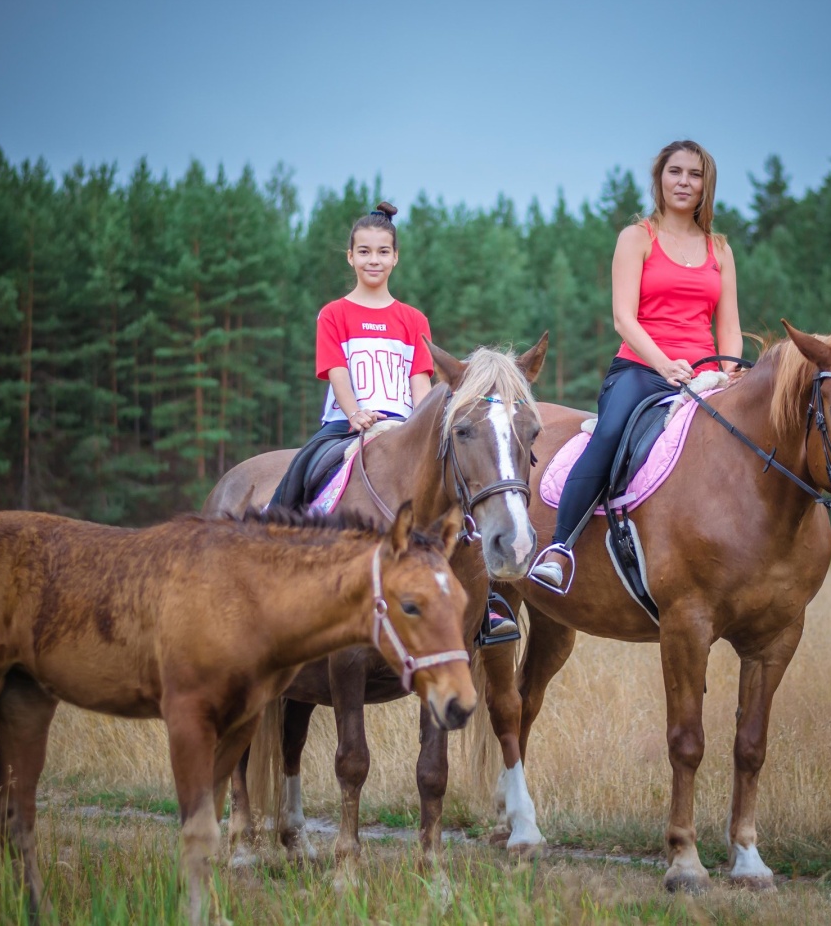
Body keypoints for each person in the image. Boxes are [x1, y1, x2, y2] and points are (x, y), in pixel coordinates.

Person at [270, 201, 518, 637]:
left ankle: (488, 603)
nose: (373, 260)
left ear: (395, 257)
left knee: (461, 489)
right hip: (347, 425)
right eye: (364, 251)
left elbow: (421, 384)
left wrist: (422, 425)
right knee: (304, 472)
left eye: (382, 251)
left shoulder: (411, 319)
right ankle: (270, 562)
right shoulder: (334, 313)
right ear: (350, 257)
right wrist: (354, 412)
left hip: (405, 429)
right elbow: (336, 370)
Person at [529, 141, 743, 594]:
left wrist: (728, 371)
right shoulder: (637, 238)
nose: (684, 182)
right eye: (675, 172)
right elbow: (624, 318)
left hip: (706, 374)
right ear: (659, 179)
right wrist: (665, 364)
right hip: (641, 370)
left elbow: (730, 328)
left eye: (695, 174)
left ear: (707, 185)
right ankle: (560, 548)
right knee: (608, 435)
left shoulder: (719, 250)